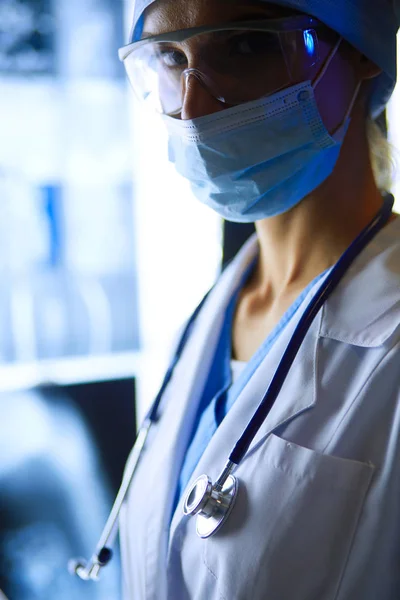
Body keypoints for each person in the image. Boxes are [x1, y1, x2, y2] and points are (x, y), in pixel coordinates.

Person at [118, 0, 400, 598]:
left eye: (243, 47)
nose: (191, 109)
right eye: (170, 57)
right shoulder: (213, 312)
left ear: (360, 55)